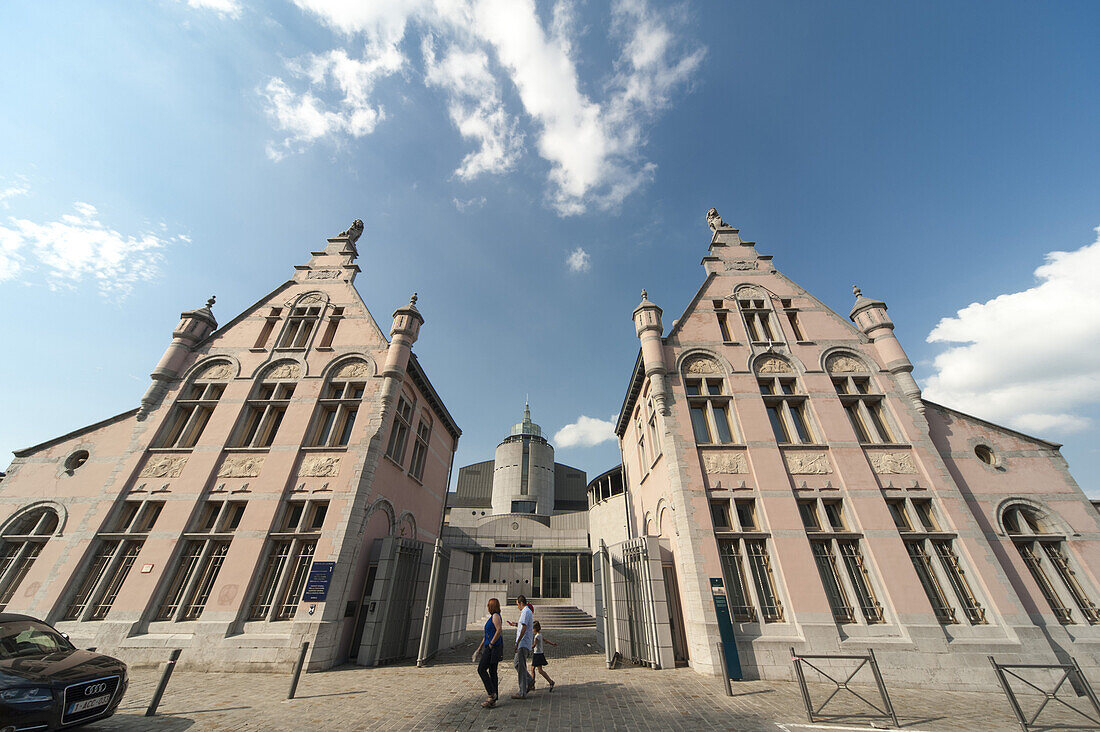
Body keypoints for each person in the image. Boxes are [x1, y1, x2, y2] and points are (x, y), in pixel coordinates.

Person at [477, 598, 503, 708]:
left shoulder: (496, 616)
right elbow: (487, 634)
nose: (487, 607)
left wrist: (491, 644)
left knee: (481, 669)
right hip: (490, 646)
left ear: (492, 606)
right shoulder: (492, 617)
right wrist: (479, 648)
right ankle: (494, 698)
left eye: (488, 605)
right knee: (492, 671)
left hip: (494, 647)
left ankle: (491, 693)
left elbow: (499, 630)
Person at [510, 595, 534, 699]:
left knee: (521, 666)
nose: (517, 607)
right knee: (517, 664)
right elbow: (523, 625)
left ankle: (522, 692)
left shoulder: (525, 612)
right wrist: (516, 624)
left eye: (517, 605)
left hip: (523, 643)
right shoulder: (527, 611)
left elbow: (524, 628)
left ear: (521, 603)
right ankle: (529, 680)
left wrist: (518, 642)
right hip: (524, 643)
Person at [530, 621, 556, 692]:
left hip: (537, 654)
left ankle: (550, 682)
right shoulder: (540, 635)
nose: (532, 630)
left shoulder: (536, 636)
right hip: (539, 654)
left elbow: (534, 645)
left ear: (535, 628)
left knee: (536, 670)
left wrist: (527, 647)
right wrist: (552, 644)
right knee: (536, 670)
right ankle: (533, 685)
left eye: (532, 628)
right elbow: (546, 640)